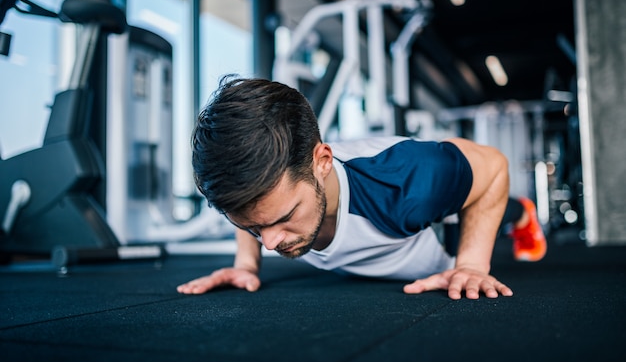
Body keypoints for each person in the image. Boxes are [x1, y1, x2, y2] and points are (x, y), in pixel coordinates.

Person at [177, 76, 547, 300]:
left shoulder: (406, 182)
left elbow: (495, 166)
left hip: (439, 227)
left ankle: (522, 213)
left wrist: (471, 265)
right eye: (253, 228)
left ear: (322, 163)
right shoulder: (261, 192)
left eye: (285, 217)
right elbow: (250, 205)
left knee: (496, 209)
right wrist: (246, 263)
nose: (270, 244)